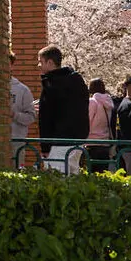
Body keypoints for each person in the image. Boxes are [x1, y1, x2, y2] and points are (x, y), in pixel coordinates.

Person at [36, 45, 89, 174]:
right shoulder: (77, 80)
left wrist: (45, 146)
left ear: (50, 62)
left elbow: (46, 117)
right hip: (79, 137)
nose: (38, 65)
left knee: (56, 179)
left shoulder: (51, 84)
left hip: (59, 139)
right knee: (73, 175)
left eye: (40, 61)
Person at [8, 53, 35, 165]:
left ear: (11, 65)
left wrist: (14, 115)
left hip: (16, 141)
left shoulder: (22, 90)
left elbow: (31, 117)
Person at [86, 78, 115, 170]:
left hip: (92, 142)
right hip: (105, 142)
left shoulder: (92, 102)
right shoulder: (109, 102)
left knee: (92, 173)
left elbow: (87, 121)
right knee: (103, 171)